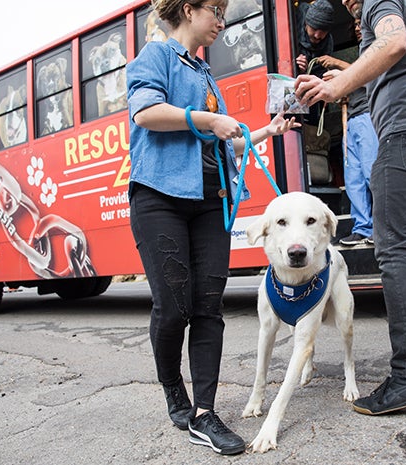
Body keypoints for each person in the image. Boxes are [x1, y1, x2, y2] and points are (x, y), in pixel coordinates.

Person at [126, 0, 299, 455]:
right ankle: (173, 389)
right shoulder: (157, 56)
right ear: (188, 9)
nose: (222, 22)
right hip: (159, 197)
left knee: (208, 308)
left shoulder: (205, 75)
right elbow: (145, 114)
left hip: (209, 203)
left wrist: (267, 132)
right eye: (216, 11)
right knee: (173, 306)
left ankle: (204, 413)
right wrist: (208, 119)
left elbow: (230, 140)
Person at [295, 0, 406, 416]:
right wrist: (349, 79)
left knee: (394, 250)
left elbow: (392, 43)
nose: (350, 4)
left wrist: (336, 87)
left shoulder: (379, 1)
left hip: (405, 137)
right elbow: (398, 65)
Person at [317, 9, 376, 246]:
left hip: (368, 116)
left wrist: (337, 64)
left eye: (362, 23)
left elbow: (367, 72)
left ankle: (383, 227)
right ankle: (363, 227)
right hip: (350, 119)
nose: (358, 27)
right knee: (353, 178)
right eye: (356, 24)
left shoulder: (376, 49)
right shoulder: (363, 50)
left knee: (373, 174)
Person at [295, 0, 335, 76]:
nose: (317, 36)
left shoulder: (327, 44)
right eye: (314, 28)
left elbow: (319, 75)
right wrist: (295, 65)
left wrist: (304, 72)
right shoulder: (292, 30)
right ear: (306, 24)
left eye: (323, 31)